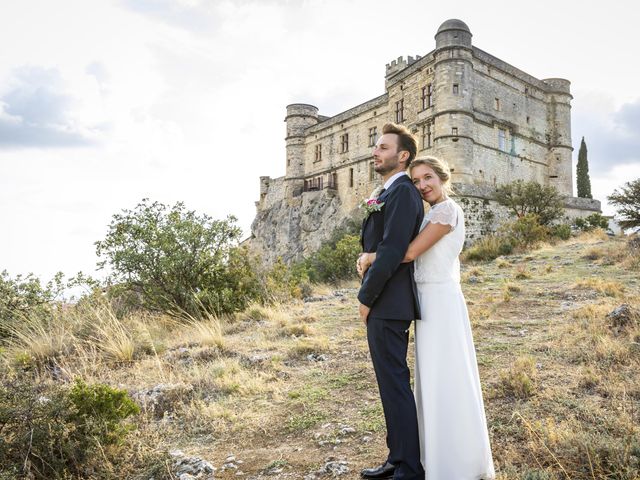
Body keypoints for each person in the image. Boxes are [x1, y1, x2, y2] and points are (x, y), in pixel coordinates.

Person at [358, 157, 496, 480]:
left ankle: (455, 458)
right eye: (417, 180)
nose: (422, 186)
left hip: (441, 302)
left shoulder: (447, 211)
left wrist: (371, 257)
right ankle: (429, 453)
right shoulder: (433, 212)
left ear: (443, 177)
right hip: (428, 303)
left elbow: (407, 253)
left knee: (446, 376)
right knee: (432, 379)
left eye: (428, 177)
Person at [357, 123, 425, 480]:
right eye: (375, 146)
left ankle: (409, 468)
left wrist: (366, 298)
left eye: (383, 147)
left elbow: (394, 250)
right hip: (386, 300)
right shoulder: (388, 191)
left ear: (402, 156)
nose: (375, 152)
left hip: (388, 301)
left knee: (395, 384)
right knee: (389, 384)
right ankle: (396, 458)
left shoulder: (402, 193)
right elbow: (379, 243)